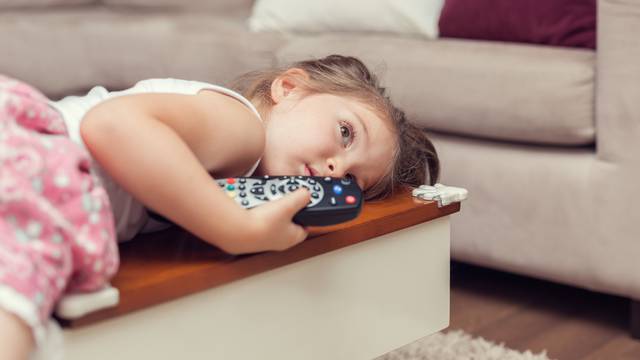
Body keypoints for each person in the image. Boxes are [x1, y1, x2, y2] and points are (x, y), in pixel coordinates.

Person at [0, 54, 439, 359]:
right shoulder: (243, 128)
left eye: (350, 179)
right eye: (346, 133)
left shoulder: (232, 168)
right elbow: (112, 125)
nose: (333, 167)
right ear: (289, 88)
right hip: (36, 165)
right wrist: (235, 228)